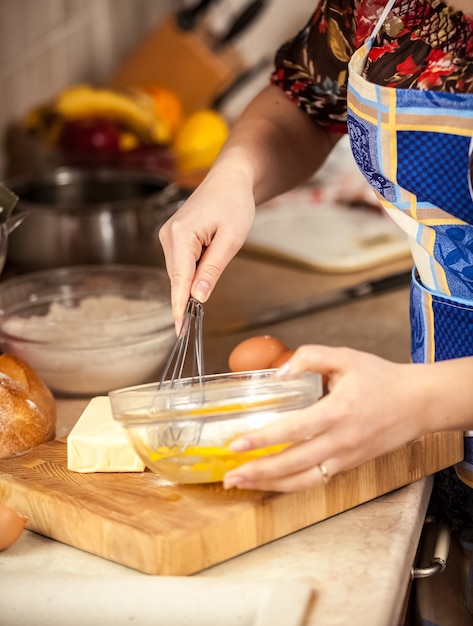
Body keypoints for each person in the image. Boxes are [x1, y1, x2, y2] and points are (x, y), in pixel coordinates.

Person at [159, 0, 473, 619]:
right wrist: (236, 173)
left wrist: (420, 400)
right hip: (447, 452)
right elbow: (305, 104)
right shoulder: (388, 8)